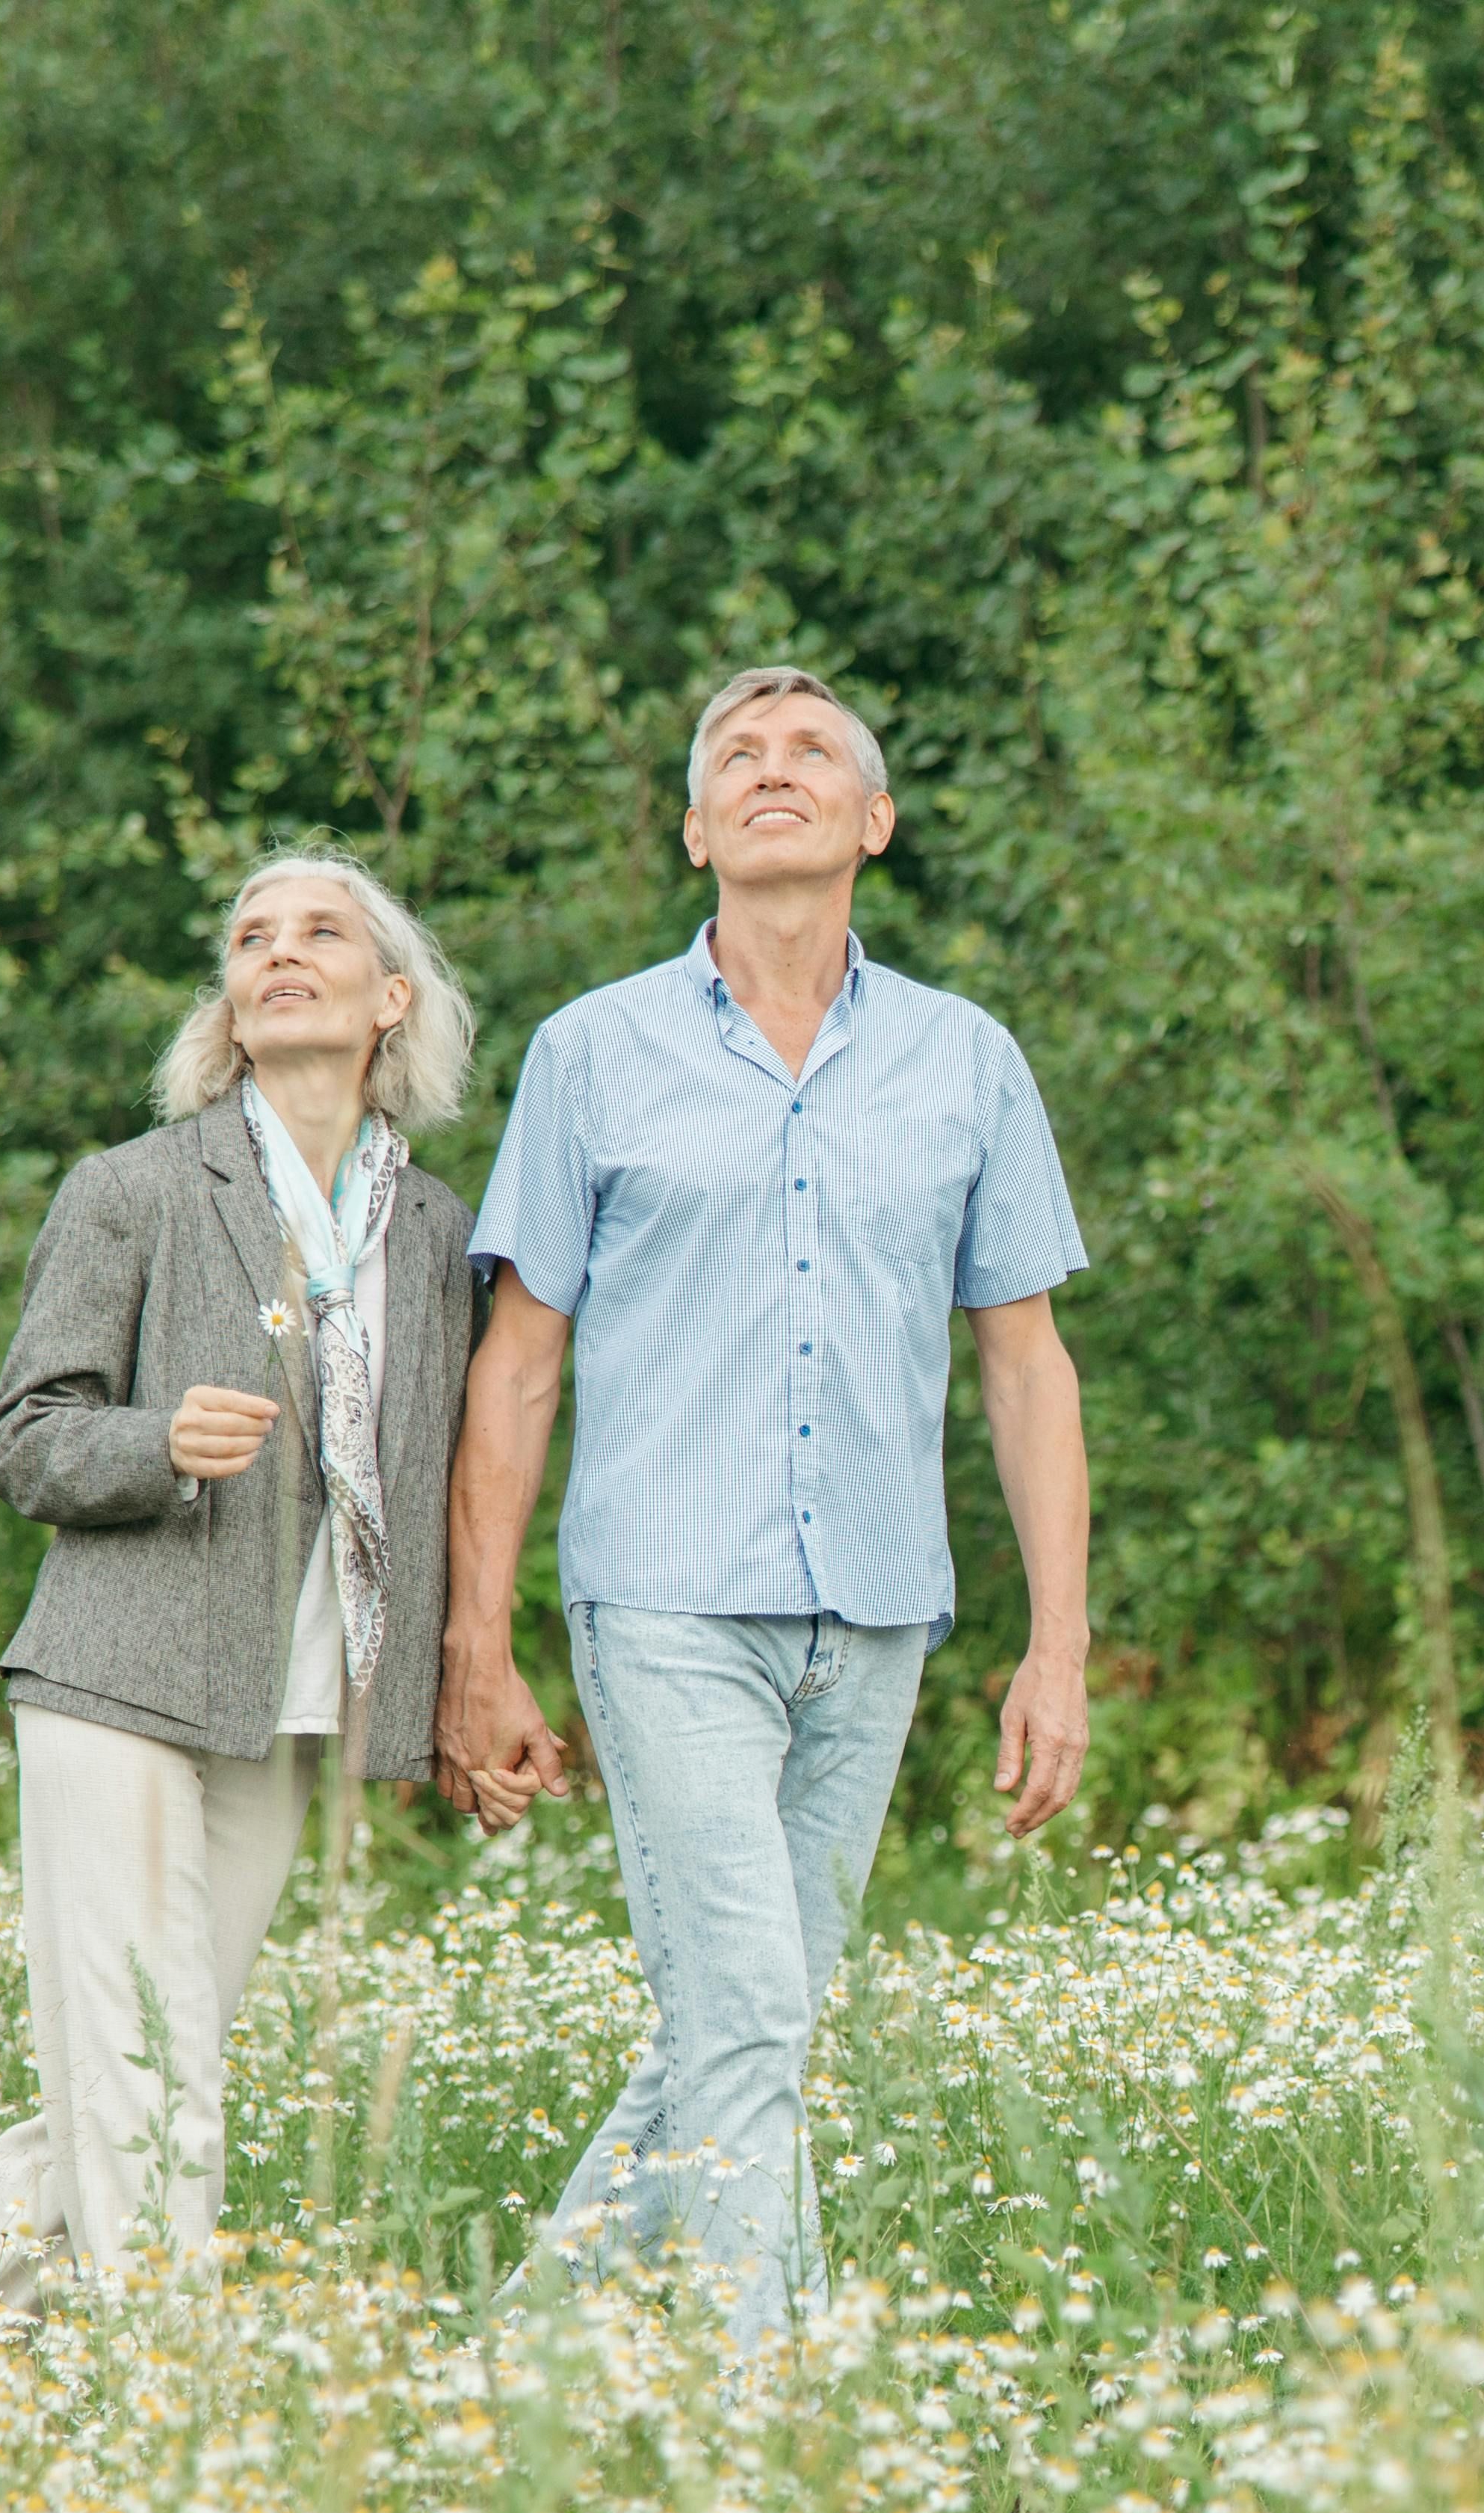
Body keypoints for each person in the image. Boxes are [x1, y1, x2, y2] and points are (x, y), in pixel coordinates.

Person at [441, 663, 1094, 2338]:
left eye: (814, 752)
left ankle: (510, 2367)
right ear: (695, 829)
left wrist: (1059, 1648)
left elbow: (1026, 1364)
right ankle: (773, 2419)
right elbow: (515, 1366)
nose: (773, 768)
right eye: (738, 754)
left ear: (875, 823)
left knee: (749, 2020)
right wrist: (478, 1642)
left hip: (879, 1609)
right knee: (744, 2013)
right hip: (663, 1599)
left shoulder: (967, 1060)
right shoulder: (593, 1052)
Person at [0, 851, 486, 2319]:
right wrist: (158, 1441)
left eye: (320, 932)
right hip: (115, 1682)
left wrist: (461, 1692)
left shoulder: (436, 1233)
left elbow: (441, 1485)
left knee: (141, 2078)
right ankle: (165, 2401)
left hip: (282, 1716)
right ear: (231, 1004)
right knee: (151, 2075)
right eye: (250, 936)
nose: (279, 951)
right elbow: (25, 1437)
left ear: (391, 999)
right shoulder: (137, 1190)